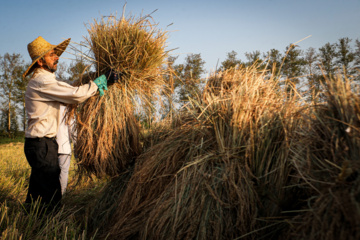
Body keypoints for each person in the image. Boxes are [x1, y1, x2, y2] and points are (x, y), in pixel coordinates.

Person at [23, 36, 111, 211]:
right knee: (50, 191)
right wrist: (99, 82)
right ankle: (46, 225)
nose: (57, 58)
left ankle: (30, 219)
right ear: (40, 62)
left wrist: (91, 80)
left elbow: (69, 90)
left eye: (56, 54)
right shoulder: (42, 81)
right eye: (52, 55)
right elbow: (76, 95)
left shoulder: (46, 81)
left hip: (42, 143)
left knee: (39, 188)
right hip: (42, 143)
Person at [57, 104, 74, 195]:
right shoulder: (67, 109)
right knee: (63, 173)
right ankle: (61, 195)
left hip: (49, 145)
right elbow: (73, 129)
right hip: (64, 147)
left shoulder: (48, 106)